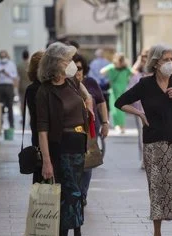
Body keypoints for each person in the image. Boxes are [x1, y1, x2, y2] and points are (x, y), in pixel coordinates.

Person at [115, 44, 172, 236]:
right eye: (165, 59)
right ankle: (157, 232)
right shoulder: (145, 84)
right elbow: (120, 102)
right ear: (155, 63)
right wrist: (140, 114)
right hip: (154, 144)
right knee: (157, 188)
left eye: (171, 59)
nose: (170, 63)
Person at [36, 42, 93, 236]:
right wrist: (46, 161)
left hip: (79, 144)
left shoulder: (72, 82)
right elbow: (42, 129)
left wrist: (90, 107)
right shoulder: (45, 91)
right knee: (71, 193)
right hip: (62, 146)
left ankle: (75, 230)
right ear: (55, 63)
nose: (71, 63)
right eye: (67, 59)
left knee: (76, 192)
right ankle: (66, 232)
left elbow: (87, 98)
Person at [73, 53, 109, 207]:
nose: (77, 72)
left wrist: (106, 123)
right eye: (73, 68)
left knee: (88, 164)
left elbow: (101, 103)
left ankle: (82, 194)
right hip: (72, 131)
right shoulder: (66, 85)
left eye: (79, 68)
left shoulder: (91, 83)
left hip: (91, 130)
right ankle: (74, 193)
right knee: (74, 164)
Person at [25, 51, 44, 184]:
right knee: (43, 168)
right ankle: (43, 202)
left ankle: (41, 202)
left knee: (40, 170)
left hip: (37, 134)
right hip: (42, 135)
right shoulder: (38, 89)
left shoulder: (32, 88)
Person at [101, 53, 133, 133]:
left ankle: (121, 126)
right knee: (115, 109)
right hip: (115, 91)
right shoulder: (114, 68)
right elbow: (102, 71)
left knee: (121, 109)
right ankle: (118, 126)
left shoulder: (125, 68)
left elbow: (133, 73)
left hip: (121, 91)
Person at [128, 49, 149, 169]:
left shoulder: (157, 76)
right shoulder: (137, 76)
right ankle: (145, 160)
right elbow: (129, 92)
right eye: (143, 58)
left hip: (155, 110)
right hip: (140, 110)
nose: (145, 60)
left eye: (148, 57)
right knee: (142, 135)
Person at [0, 50, 18, 129]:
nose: (3, 58)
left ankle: (11, 125)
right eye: (1, 56)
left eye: (4, 56)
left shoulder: (11, 64)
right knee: (0, 106)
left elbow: (15, 76)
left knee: (10, 106)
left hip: (9, 86)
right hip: (0, 86)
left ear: (7, 56)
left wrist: (7, 74)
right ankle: (0, 124)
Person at [17, 49, 30, 116]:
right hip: (30, 85)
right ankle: (31, 117)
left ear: (22, 56)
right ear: (28, 56)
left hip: (22, 86)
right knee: (30, 102)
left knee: (22, 103)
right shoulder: (30, 64)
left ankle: (23, 117)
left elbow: (18, 77)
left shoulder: (19, 65)